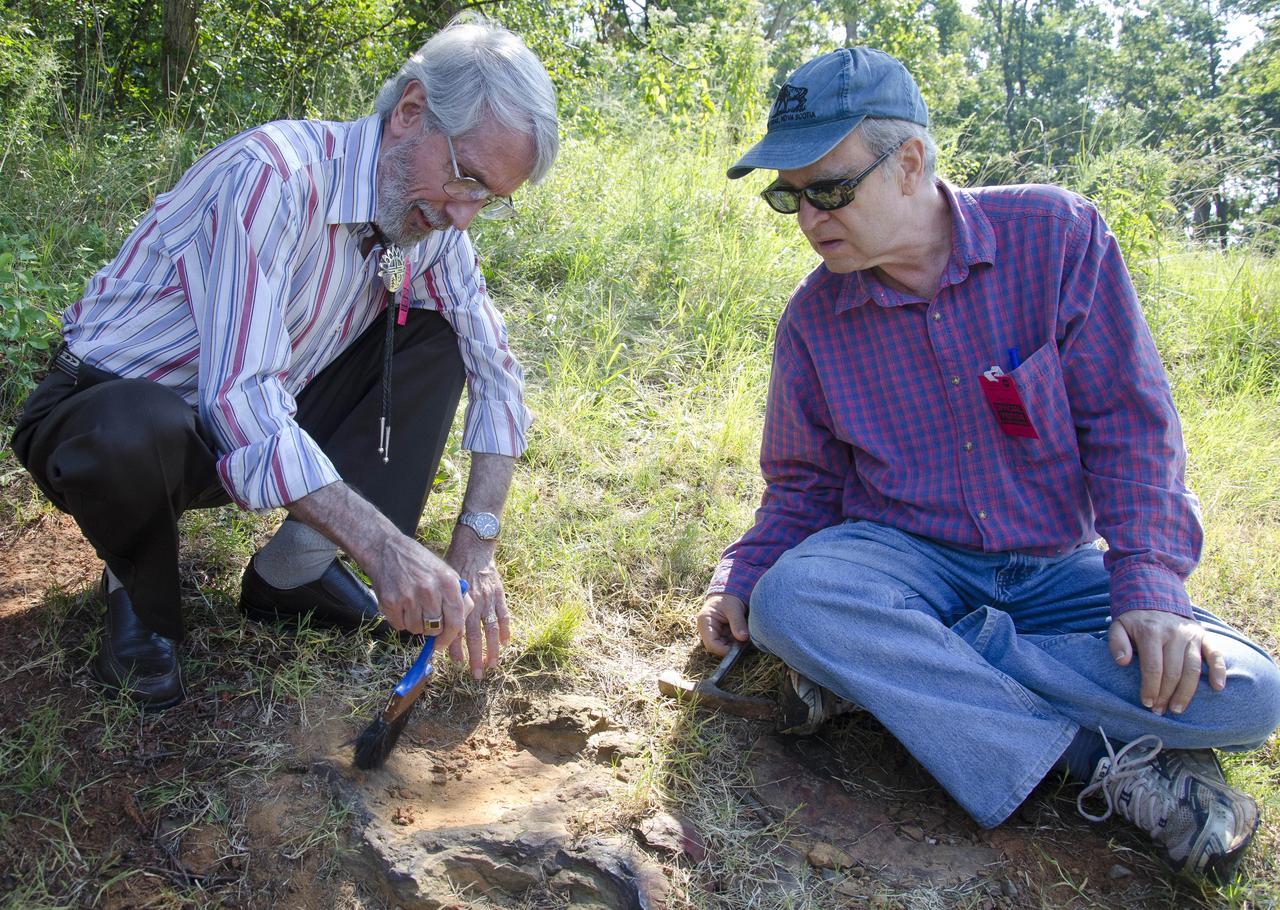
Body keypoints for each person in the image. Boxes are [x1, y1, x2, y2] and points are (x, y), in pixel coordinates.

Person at [697, 46, 1280, 882]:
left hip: (1055, 570)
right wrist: (742, 577)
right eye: (786, 195)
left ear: (910, 163)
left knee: (1255, 693)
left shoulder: (1058, 238)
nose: (807, 217)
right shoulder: (813, 322)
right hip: (907, 564)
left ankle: (894, 682)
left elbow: (1131, 426)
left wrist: (1150, 590)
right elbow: (803, 488)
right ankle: (1102, 759)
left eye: (827, 188)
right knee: (796, 601)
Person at [11, 16, 558, 711]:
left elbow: (496, 370)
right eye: (466, 178)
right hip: (104, 419)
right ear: (411, 112)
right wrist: (386, 549)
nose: (464, 214)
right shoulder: (272, 175)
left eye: (490, 199)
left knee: (441, 335)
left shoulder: (430, 224)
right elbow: (240, 397)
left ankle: (293, 574)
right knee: (135, 427)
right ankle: (135, 588)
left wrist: (476, 544)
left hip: (240, 425)